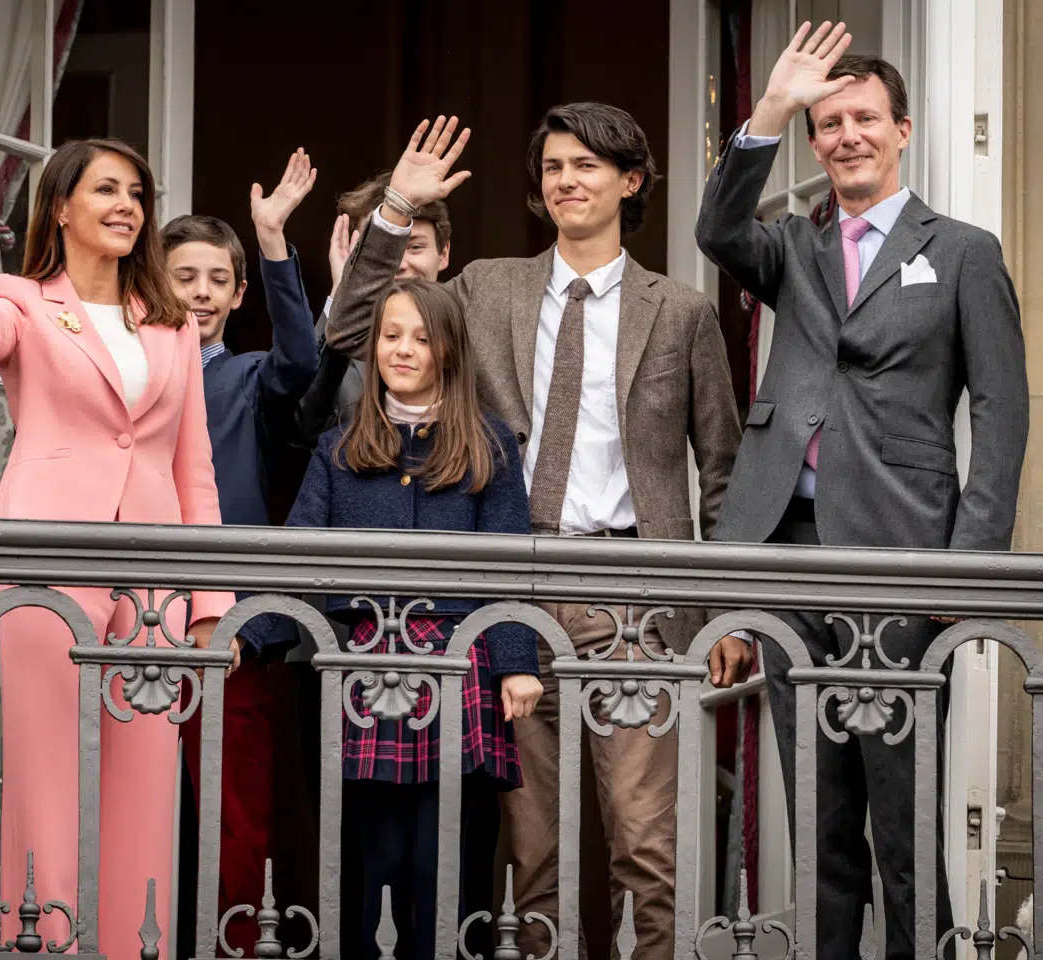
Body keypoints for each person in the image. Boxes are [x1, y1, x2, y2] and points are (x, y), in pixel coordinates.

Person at [325, 105, 751, 959]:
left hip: (635, 597)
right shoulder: (488, 288)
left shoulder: (681, 312)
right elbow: (350, 329)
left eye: (587, 166)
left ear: (630, 182)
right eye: (554, 166)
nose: (566, 181)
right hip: (512, 597)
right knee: (532, 852)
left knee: (645, 844)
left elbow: (723, 470)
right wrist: (396, 211)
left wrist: (730, 610)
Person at [695, 22, 1028, 960]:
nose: (847, 136)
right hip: (787, 548)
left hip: (902, 554)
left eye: (865, 119)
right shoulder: (789, 248)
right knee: (820, 817)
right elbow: (715, 229)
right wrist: (772, 107)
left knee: (905, 812)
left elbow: (1001, 414)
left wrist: (969, 565)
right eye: (830, 123)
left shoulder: (963, 251)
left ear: (902, 130)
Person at [0, 109, 232, 960]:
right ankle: (45, 944)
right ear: (60, 207)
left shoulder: (171, 322)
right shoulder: (23, 302)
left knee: (145, 783)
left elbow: (193, 469)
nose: (127, 205)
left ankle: (137, 949)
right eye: (106, 190)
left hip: (154, 579)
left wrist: (210, 603)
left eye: (137, 193)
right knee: (46, 778)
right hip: (45, 566)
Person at [243, 278, 543, 959]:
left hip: (461, 665)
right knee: (370, 856)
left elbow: (509, 565)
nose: (402, 350)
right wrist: (248, 632)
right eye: (390, 335)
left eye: (421, 338)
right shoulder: (338, 447)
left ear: (449, 351)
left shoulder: (490, 444)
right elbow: (295, 556)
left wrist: (515, 663)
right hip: (365, 669)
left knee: (445, 861)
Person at [161, 149, 320, 950]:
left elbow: (303, 363)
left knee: (236, 815)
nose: (199, 292)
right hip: (133, 618)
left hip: (235, 632)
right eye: (184, 277)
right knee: (134, 807)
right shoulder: (128, 377)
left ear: (238, 294)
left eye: (217, 279)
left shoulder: (250, 376)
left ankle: (236, 946)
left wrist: (273, 242)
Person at [295, 174, 454, 449]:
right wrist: (343, 292)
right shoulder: (342, 347)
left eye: (415, 247)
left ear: (444, 254)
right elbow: (302, 427)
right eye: (382, 251)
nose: (399, 263)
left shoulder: (467, 331)